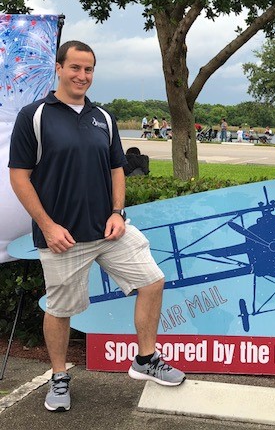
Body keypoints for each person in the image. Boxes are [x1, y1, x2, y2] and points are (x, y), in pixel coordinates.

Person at [8, 40, 186, 413]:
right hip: (62, 237)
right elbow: (19, 177)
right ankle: (59, 377)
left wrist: (118, 212)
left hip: (108, 231)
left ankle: (146, 359)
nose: (82, 75)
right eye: (75, 67)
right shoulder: (34, 116)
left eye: (88, 69)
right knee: (60, 309)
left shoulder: (103, 117)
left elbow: (116, 167)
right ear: (59, 68)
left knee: (152, 282)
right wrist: (48, 226)